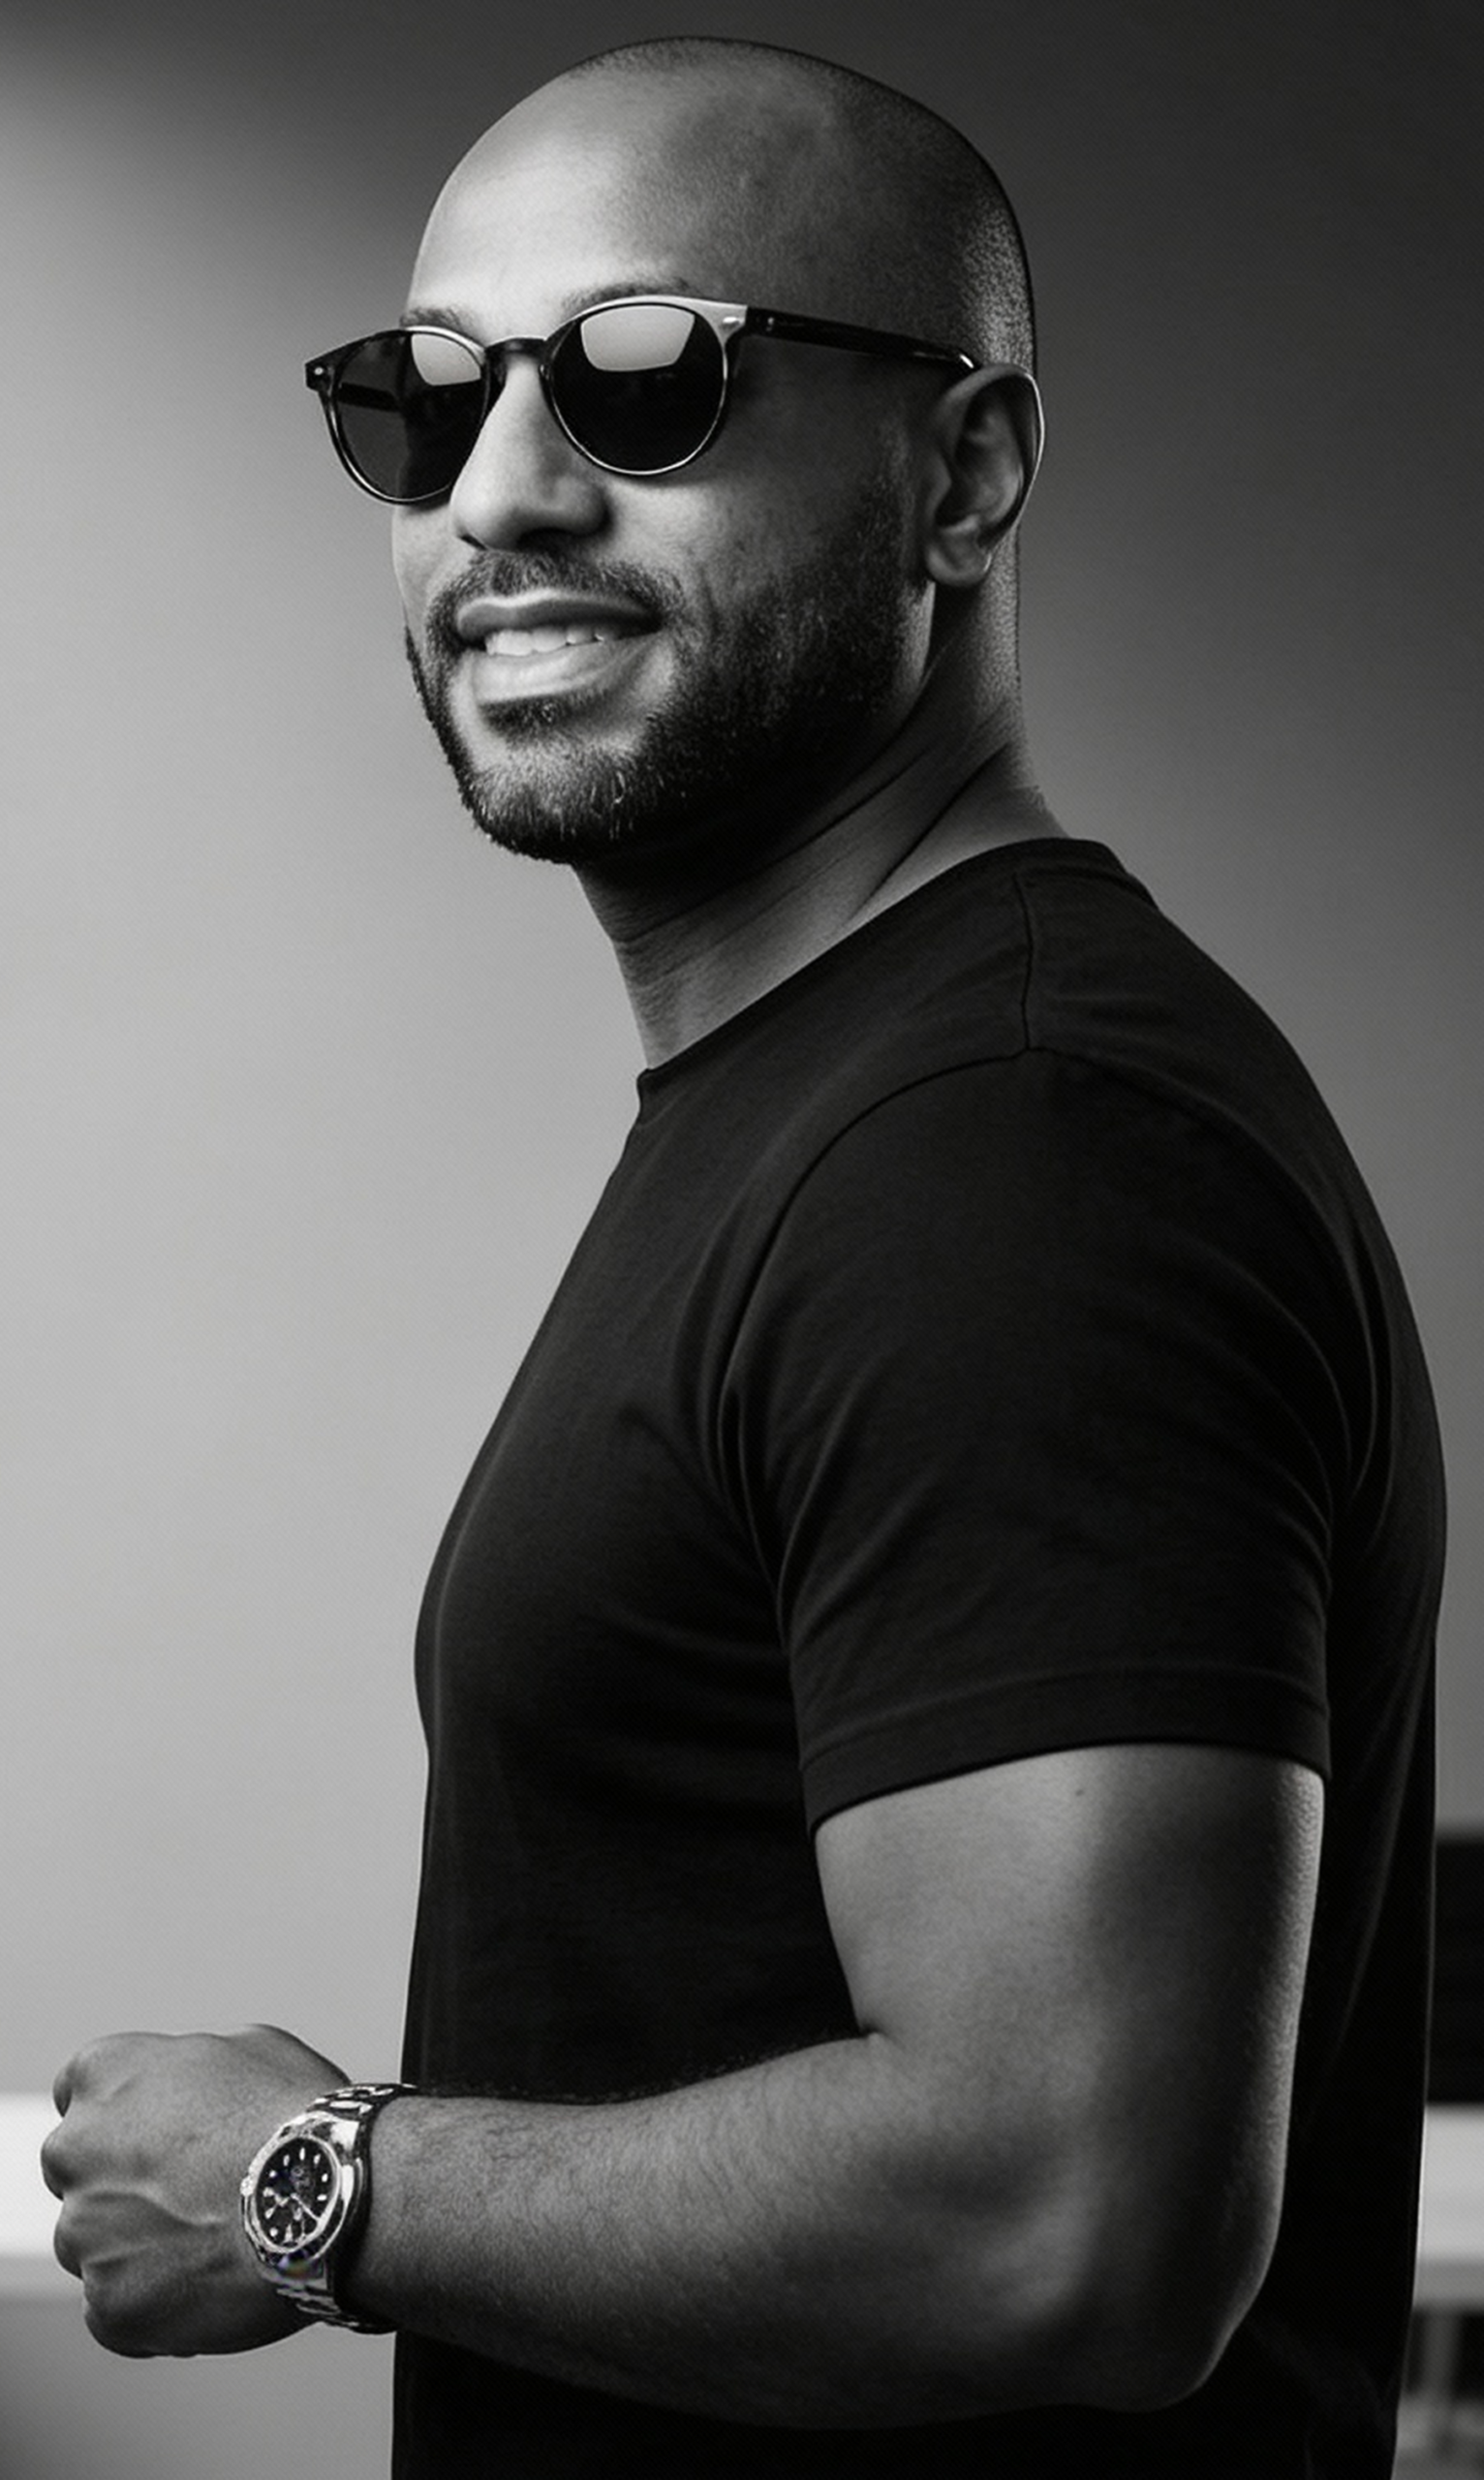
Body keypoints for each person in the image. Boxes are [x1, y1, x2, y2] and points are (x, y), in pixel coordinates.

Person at [43, 35, 1443, 2480]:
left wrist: (319, 2183)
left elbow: (1066, 2220)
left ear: (962, 473)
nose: (504, 492)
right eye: (423, 404)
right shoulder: (852, 1096)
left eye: (645, 375)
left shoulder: (1014, 1148)